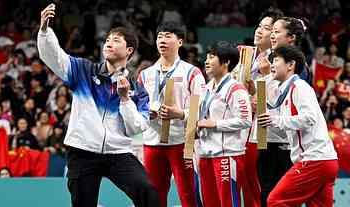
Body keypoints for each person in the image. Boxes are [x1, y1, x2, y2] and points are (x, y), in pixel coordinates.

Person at [37, 4, 159, 207]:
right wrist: (44, 30)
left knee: (147, 192)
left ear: (129, 50)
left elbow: (136, 127)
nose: (109, 43)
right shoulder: (83, 70)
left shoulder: (137, 89)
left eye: (116, 40)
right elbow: (55, 57)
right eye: (108, 40)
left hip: (118, 153)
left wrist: (125, 99)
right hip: (83, 150)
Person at [257, 45, 338, 206]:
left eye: (276, 60)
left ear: (290, 65)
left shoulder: (299, 87)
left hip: (313, 159)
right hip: (325, 160)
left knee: (275, 201)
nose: (272, 64)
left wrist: (275, 119)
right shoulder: (286, 91)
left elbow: (309, 118)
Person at [138, 21, 206, 207]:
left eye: (168, 36)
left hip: (182, 142)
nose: (162, 40)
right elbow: (137, 105)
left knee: (188, 195)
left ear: (180, 42)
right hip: (152, 141)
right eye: (160, 36)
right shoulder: (145, 74)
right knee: (154, 196)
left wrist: (180, 113)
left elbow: (202, 107)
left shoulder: (192, 72)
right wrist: (147, 113)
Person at [197, 41, 252, 207]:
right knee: (210, 203)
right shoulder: (206, 88)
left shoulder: (236, 89)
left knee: (229, 203)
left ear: (226, 62)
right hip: (206, 154)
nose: (206, 61)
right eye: (207, 56)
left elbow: (245, 120)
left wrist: (215, 124)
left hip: (227, 155)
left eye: (212, 56)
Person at [247, 8, 288, 207]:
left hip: (271, 136)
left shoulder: (279, 61)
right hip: (250, 131)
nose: (260, 31)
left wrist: (258, 85)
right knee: (254, 188)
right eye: (259, 26)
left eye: (267, 28)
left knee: (267, 190)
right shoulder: (250, 57)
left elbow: (272, 99)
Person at [270, 16, 312, 84]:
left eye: (276, 32)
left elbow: (281, 93)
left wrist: (265, 74)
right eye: (272, 32)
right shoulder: (271, 59)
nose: (271, 36)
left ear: (292, 37)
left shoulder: (300, 67)